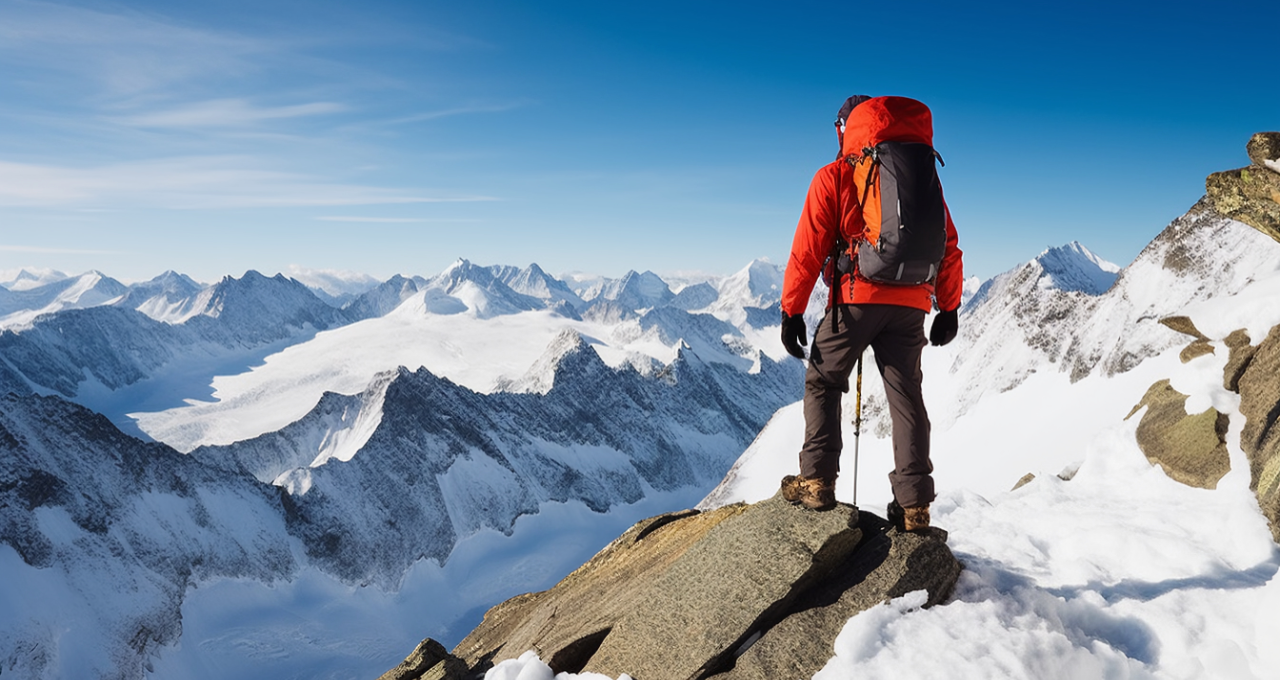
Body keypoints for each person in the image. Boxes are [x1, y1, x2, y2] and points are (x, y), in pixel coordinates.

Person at [778, 95, 963, 531]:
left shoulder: (835, 176)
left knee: (823, 380)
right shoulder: (920, 178)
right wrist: (948, 307)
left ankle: (817, 480)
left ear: (846, 129)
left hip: (856, 299)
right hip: (912, 303)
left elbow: (807, 250)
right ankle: (915, 506)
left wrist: (792, 310)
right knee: (907, 396)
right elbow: (947, 243)